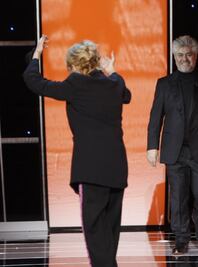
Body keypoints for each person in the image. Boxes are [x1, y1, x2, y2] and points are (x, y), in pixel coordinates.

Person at [23, 35, 131, 267]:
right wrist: (111, 71)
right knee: (110, 230)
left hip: (91, 170)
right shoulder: (115, 83)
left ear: (74, 65)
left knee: (95, 231)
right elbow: (126, 95)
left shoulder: (75, 84)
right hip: (117, 168)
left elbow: (34, 82)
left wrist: (36, 55)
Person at [147, 35, 198, 255]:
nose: (185, 59)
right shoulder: (164, 84)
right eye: (180, 55)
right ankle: (181, 239)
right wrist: (152, 146)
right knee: (178, 197)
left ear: (196, 55)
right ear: (174, 57)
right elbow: (156, 117)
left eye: (189, 54)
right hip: (175, 150)